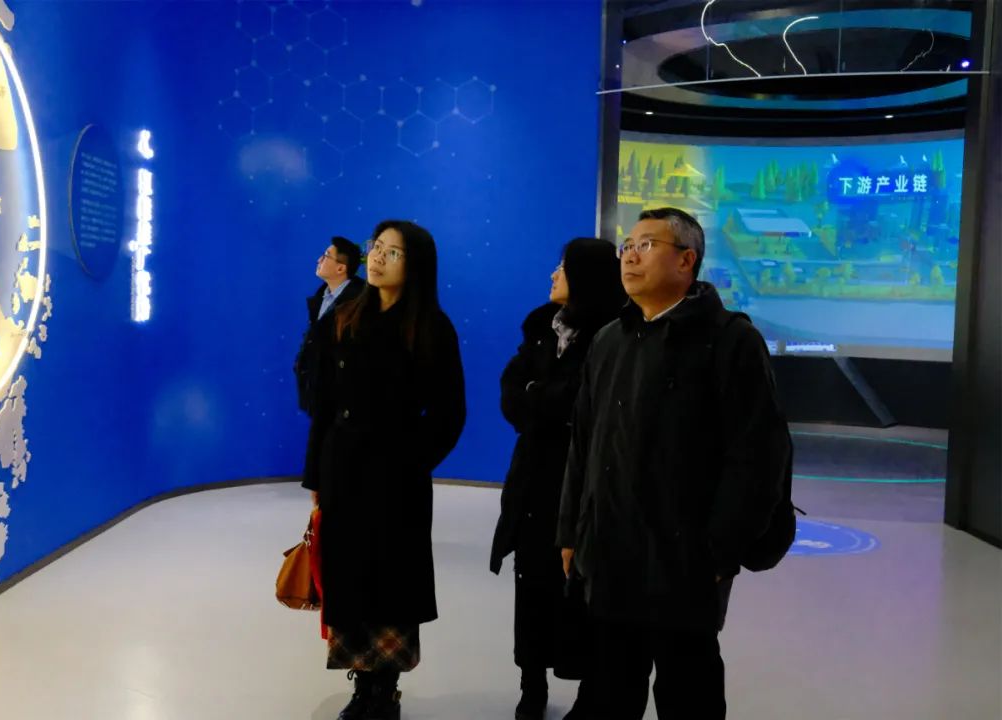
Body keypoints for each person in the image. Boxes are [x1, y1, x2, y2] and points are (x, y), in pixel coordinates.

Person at [557, 208, 788, 719]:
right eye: (627, 246)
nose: (630, 256)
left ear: (687, 261)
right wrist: (572, 531)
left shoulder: (730, 341)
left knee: (689, 695)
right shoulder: (609, 340)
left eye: (646, 245)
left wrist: (719, 552)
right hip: (610, 553)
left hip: (686, 563)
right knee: (607, 692)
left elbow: (758, 458)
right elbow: (584, 444)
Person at [302, 220, 467, 720]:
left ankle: (386, 687)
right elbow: (324, 405)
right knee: (349, 579)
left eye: (392, 252)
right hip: (343, 471)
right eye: (376, 247)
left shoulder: (432, 327)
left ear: (415, 266)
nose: (377, 258)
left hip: (397, 481)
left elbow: (450, 414)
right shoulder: (344, 317)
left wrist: (411, 461)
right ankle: (361, 683)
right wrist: (316, 476)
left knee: (391, 583)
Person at [491, 238, 624, 720]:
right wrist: (541, 397)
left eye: (563, 267)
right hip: (532, 480)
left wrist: (539, 395)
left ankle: (589, 691)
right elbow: (511, 394)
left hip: (583, 479)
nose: (553, 275)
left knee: (581, 592)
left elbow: (578, 403)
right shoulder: (542, 327)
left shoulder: (614, 333)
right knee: (530, 586)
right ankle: (532, 686)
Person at [295, 236, 366, 414]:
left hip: (343, 408)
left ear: (341, 268)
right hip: (319, 401)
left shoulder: (360, 303)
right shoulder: (321, 297)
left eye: (326, 256)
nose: (319, 260)